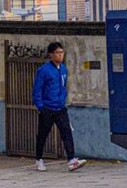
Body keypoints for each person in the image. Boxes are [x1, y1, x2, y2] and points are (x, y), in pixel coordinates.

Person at [32, 40, 86, 172]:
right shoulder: (44, 70)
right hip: (47, 108)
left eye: (62, 52)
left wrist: (62, 100)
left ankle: (72, 160)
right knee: (43, 134)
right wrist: (40, 107)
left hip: (60, 108)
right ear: (51, 54)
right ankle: (39, 159)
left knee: (67, 132)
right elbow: (37, 90)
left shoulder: (63, 69)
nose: (60, 55)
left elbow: (63, 87)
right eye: (57, 53)